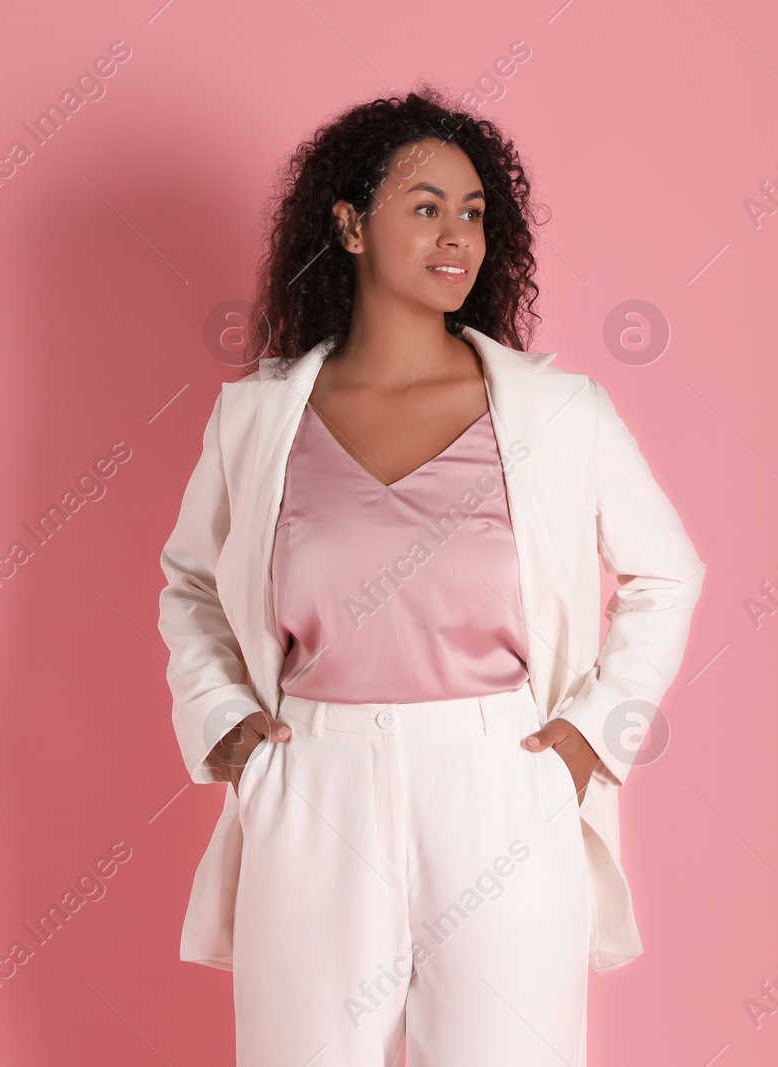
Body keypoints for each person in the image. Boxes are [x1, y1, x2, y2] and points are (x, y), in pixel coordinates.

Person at [158, 86, 704, 1067]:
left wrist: (588, 733)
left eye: (474, 212)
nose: (458, 235)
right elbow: (190, 582)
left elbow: (667, 571)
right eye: (425, 206)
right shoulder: (256, 418)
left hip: (500, 781)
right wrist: (225, 725)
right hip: (313, 785)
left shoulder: (555, 410)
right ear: (349, 223)